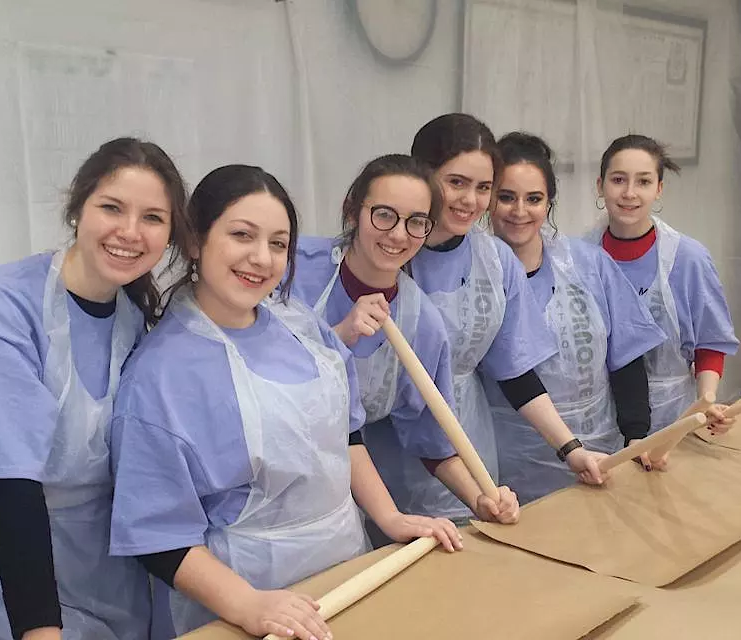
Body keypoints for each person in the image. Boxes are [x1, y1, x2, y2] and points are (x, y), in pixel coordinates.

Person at [107, 164, 462, 639]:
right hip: (247, 600)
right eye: (241, 235)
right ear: (195, 241)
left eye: (278, 244)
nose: (261, 258)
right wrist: (248, 605)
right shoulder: (160, 376)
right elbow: (157, 536)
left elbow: (345, 434)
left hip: (343, 571)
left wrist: (389, 517)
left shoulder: (300, 326)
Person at [0, 137, 188, 640]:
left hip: (91, 556)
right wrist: (41, 632)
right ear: (77, 208)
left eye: (152, 218)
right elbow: (10, 487)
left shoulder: (132, 317)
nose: (129, 231)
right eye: (112, 208)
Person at [399, 113, 608, 519]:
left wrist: (570, 448)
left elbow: (515, 370)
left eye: (483, 188)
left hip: (469, 438)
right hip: (393, 446)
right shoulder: (391, 252)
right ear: (422, 174)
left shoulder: (494, 261)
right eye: (455, 182)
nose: (469, 200)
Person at [291, 153, 519, 526]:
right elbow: (256, 373)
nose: (398, 235)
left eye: (417, 222)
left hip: (341, 501)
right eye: (384, 215)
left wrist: (480, 500)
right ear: (352, 210)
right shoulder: (291, 268)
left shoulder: (421, 324)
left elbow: (432, 437)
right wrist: (337, 338)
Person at [488, 132, 668, 500]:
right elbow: (514, 373)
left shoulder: (587, 264)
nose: (520, 211)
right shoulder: (479, 279)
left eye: (534, 199)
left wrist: (636, 431)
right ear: (488, 200)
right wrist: (568, 447)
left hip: (601, 450)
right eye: (506, 197)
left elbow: (626, 355)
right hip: (515, 462)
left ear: (549, 202)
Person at [589, 134, 740, 462]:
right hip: (599, 420)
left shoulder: (687, 258)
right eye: (618, 180)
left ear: (658, 189)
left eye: (643, 181)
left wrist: (707, 398)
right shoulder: (580, 257)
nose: (629, 193)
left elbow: (710, 341)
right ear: (600, 186)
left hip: (673, 417)